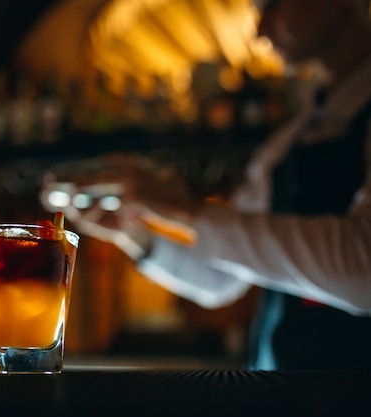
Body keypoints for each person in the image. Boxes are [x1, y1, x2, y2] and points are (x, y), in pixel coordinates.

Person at [42, 0, 371, 370]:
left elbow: (364, 268)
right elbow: (221, 279)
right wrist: (132, 234)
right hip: (279, 390)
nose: (260, 31)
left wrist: (186, 211)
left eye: (272, 5)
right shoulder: (285, 146)